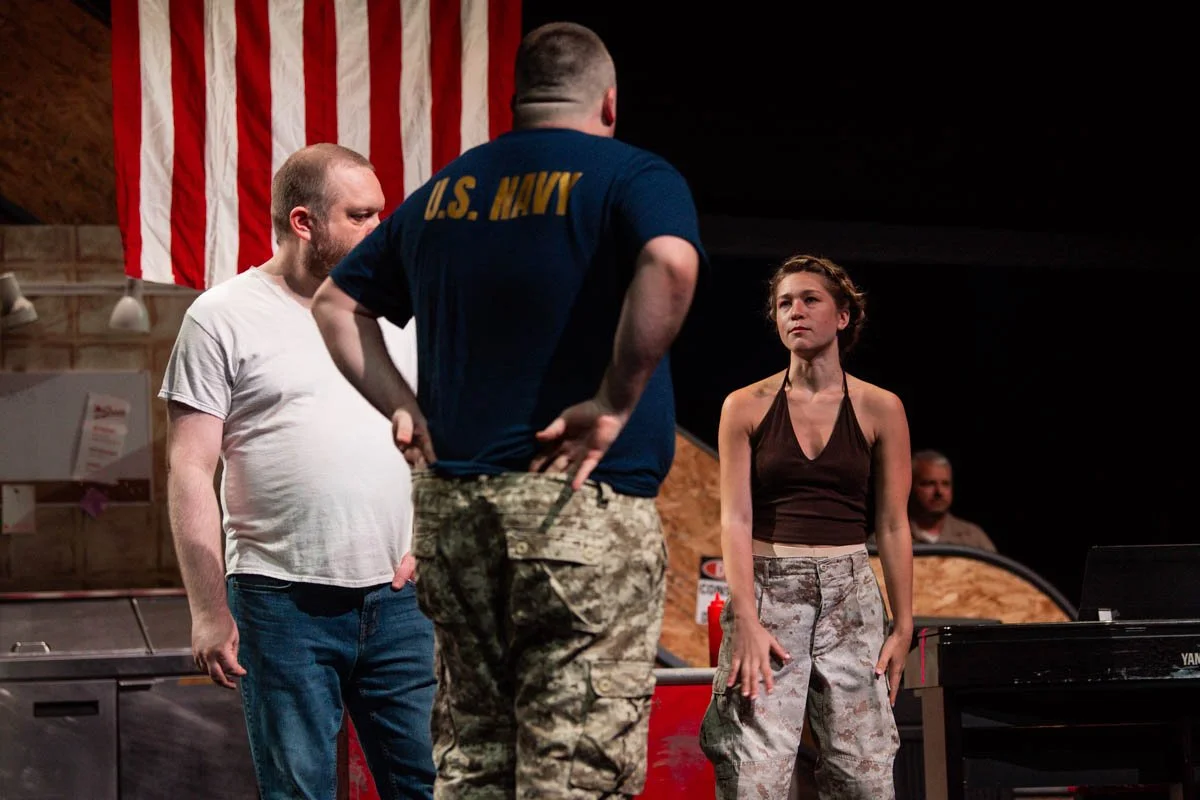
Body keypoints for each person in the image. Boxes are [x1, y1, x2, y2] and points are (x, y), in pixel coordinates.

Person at [309, 21, 704, 799]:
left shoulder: (445, 191)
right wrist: (615, 400)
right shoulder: (633, 176)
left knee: (473, 758)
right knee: (574, 769)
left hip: (456, 517)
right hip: (573, 508)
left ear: (517, 101)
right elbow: (670, 260)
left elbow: (335, 303)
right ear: (609, 102)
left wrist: (402, 407)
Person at [160, 143, 435, 800]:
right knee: (299, 790)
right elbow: (189, 469)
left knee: (425, 784)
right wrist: (207, 609)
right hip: (282, 602)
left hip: (401, 602)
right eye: (360, 216)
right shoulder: (221, 316)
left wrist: (431, 544)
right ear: (304, 222)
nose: (379, 230)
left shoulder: (403, 310)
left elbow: (435, 445)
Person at [698, 255, 914, 799]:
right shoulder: (744, 406)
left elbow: (891, 524)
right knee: (754, 773)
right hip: (771, 589)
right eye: (784, 303)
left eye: (810, 299)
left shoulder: (880, 407)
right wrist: (744, 614)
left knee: (863, 774)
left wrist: (905, 624)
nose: (795, 311)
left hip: (850, 593)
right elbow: (736, 517)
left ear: (843, 316)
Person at [907, 449, 997, 551]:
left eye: (945, 484)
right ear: (910, 486)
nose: (939, 492)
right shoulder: (896, 534)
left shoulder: (972, 537)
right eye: (929, 483)